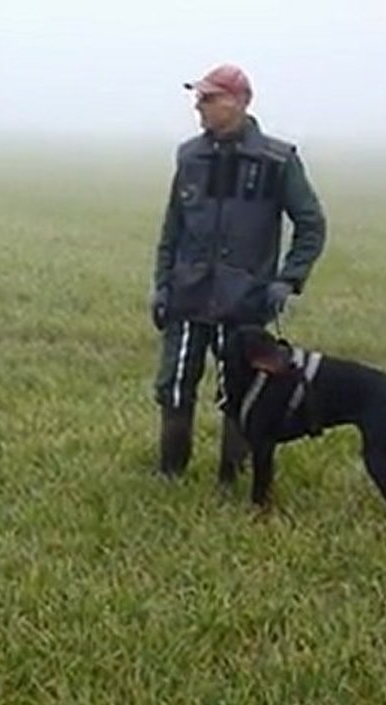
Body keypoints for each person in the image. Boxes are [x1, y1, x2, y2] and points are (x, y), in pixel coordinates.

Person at [150, 64, 326, 484]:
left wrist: (288, 278)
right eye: (199, 98)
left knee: (239, 388)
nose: (199, 106)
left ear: (241, 102)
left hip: (245, 299)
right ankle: (170, 471)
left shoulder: (277, 161)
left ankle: (232, 474)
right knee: (174, 384)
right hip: (189, 294)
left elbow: (311, 224)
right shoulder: (189, 157)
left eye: (209, 98)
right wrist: (162, 285)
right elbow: (173, 227)